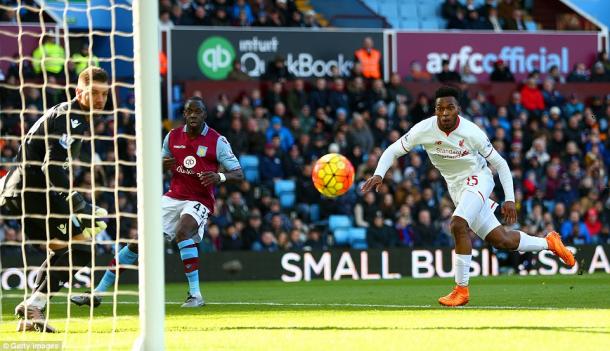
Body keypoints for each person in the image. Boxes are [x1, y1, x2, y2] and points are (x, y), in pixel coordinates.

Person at [361, 86, 575, 307]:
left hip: (478, 178)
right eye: (439, 108)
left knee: (457, 224)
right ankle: (549, 243)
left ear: (458, 109)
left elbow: (500, 164)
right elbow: (392, 150)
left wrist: (509, 198)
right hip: (456, 188)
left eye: (449, 108)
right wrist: (379, 174)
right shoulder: (423, 129)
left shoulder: (472, 132)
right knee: (501, 240)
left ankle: (461, 290)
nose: (444, 113)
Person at [71, 97, 244, 308]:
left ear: (204, 115)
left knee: (183, 231)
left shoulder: (217, 141)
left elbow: (238, 173)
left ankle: (195, 295)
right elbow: (158, 164)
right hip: (173, 197)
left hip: (199, 199)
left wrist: (220, 177)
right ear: (184, 114)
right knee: (137, 242)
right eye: (189, 111)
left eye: (197, 112)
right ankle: (97, 293)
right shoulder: (172, 137)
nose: (193, 115)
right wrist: (161, 164)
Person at [0, 67, 110, 332]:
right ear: (78, 91)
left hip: (24, 190)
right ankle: (34, 304)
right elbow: (52, 165)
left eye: (104, 95)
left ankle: (32, 313)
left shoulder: (71, 115)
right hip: (33, 192)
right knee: (82, 248)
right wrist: (75, 201)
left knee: (62, 251)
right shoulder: (70, 117)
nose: (99, 100)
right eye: (93, 93)